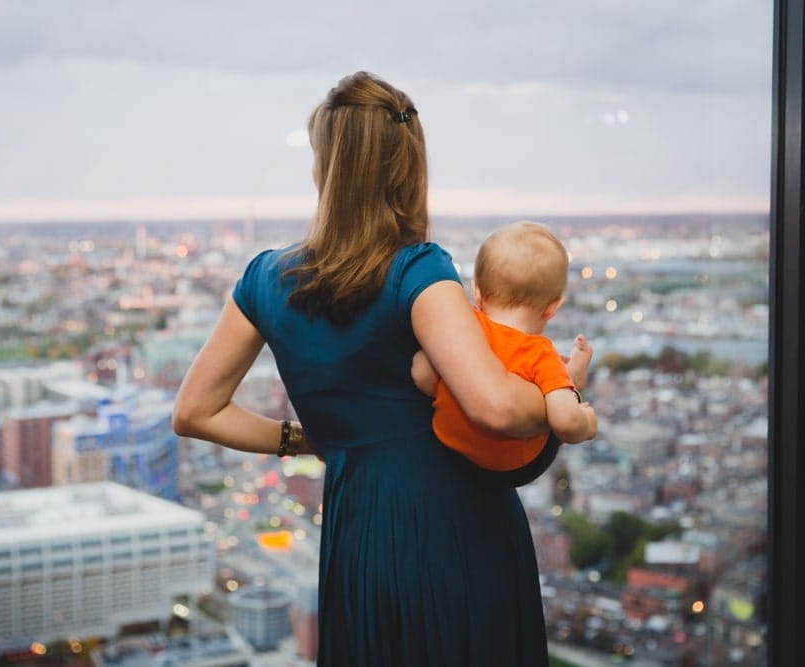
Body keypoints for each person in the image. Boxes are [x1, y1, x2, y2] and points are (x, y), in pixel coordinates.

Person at [173, 71, 553, 666]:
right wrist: (565, 399)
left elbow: (195, 411)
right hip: (454, 526)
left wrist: (306, 441)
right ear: (408, 166)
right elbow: (496, 406)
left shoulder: (265, 280)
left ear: (324, 166)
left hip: (358, 527)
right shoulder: (418, 272)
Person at [411, 220, 598, 481]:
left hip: (450, 448)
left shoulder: (464, 328)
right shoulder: (541, 352)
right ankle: (571, 382)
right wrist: (588, 423)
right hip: (511, 467)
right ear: (552, 308)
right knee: (556, 399)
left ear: (477, 292)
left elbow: (421, 372)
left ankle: (565, 381)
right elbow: (566, 423)